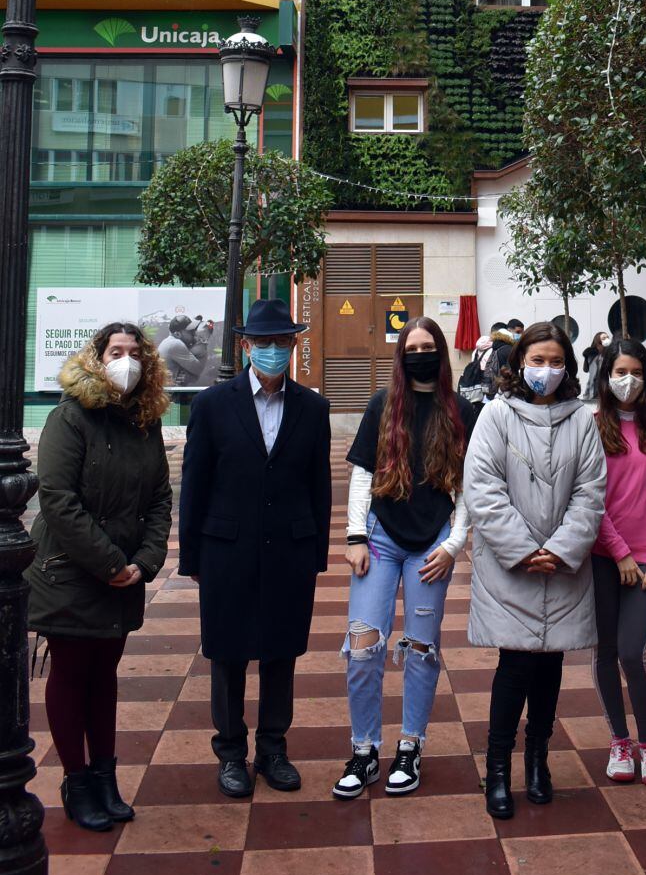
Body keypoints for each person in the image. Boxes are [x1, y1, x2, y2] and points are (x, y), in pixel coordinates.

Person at [179, 298, 331, 799]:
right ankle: (230, 753)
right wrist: (192, 556)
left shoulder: (313, 407)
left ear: (293, 346)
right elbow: (195, 484)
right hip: (227, 548)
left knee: (281, 651)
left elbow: (319, 485)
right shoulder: (212, 405)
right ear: (245, 346)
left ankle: (273, 749)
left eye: (281, 342)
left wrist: (317, 554)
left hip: (290, 547)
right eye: (262, 343)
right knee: (226, 653)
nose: (271, 351)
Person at [27, 323, 172, 830]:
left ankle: (106, 777)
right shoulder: (70, 417)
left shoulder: (145, 423)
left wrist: (144, 562)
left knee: (104, 675)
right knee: (70, 673)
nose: (125, 361)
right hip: (72, 570)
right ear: (97, 357)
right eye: (116, 351)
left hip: (123, 575)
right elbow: (58, 500)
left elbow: (159, 499)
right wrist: (110, 562)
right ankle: (77, 779)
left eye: (134, 352)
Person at [464, 321, 606, 820]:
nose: (545, 370)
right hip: (512, 567)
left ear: (567, 366)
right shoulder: (496, 416)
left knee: (550, 666)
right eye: (537, 360)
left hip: (563, 565)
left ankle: (539, 760)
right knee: (516, 664)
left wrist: (562, 548)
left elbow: (591, 491)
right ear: (519, 364)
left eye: (554, 361)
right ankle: (498, 768)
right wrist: (524, 550)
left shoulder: (581, 420)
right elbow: (482, 488)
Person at [333, 317, 477, 799]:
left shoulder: (459, 412)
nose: (420, 353)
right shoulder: (383, 404)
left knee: (420, 648)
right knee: (363, 645)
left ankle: (410, 746)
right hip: (379, 537)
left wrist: (453, 545)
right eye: (412, 347)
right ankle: (364, 750)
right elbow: (361, 474)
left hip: (433, 543)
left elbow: (468, 490)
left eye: (427, 346)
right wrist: (354, 536)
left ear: (439, 352)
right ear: (402, 355)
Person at [591, 337, 646, 785]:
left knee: (632, 650)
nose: (629, 380)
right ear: (606, 375)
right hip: (603, 557)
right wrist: (619, 552)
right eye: (620, 371)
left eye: (637, 372)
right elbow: (588, 497)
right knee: (606, 651)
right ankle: (619, 741)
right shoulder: (590, 427)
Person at [158, 315, 208, 388]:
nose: (194, 333)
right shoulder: (175, 344)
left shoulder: (169, 341)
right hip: (172, 393)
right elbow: (198, 369)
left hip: (170, 390)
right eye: (189, 331)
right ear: (177, 334)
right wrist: (202, 348)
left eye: (193, 329)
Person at [582, 331, 612, 403]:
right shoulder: (592, 354)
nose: (607, 339)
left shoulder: (608, 353)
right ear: (598, 340)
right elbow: (592, 375)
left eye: (607, 337)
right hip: (595, 392)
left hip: (604, 391)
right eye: (604, 338)